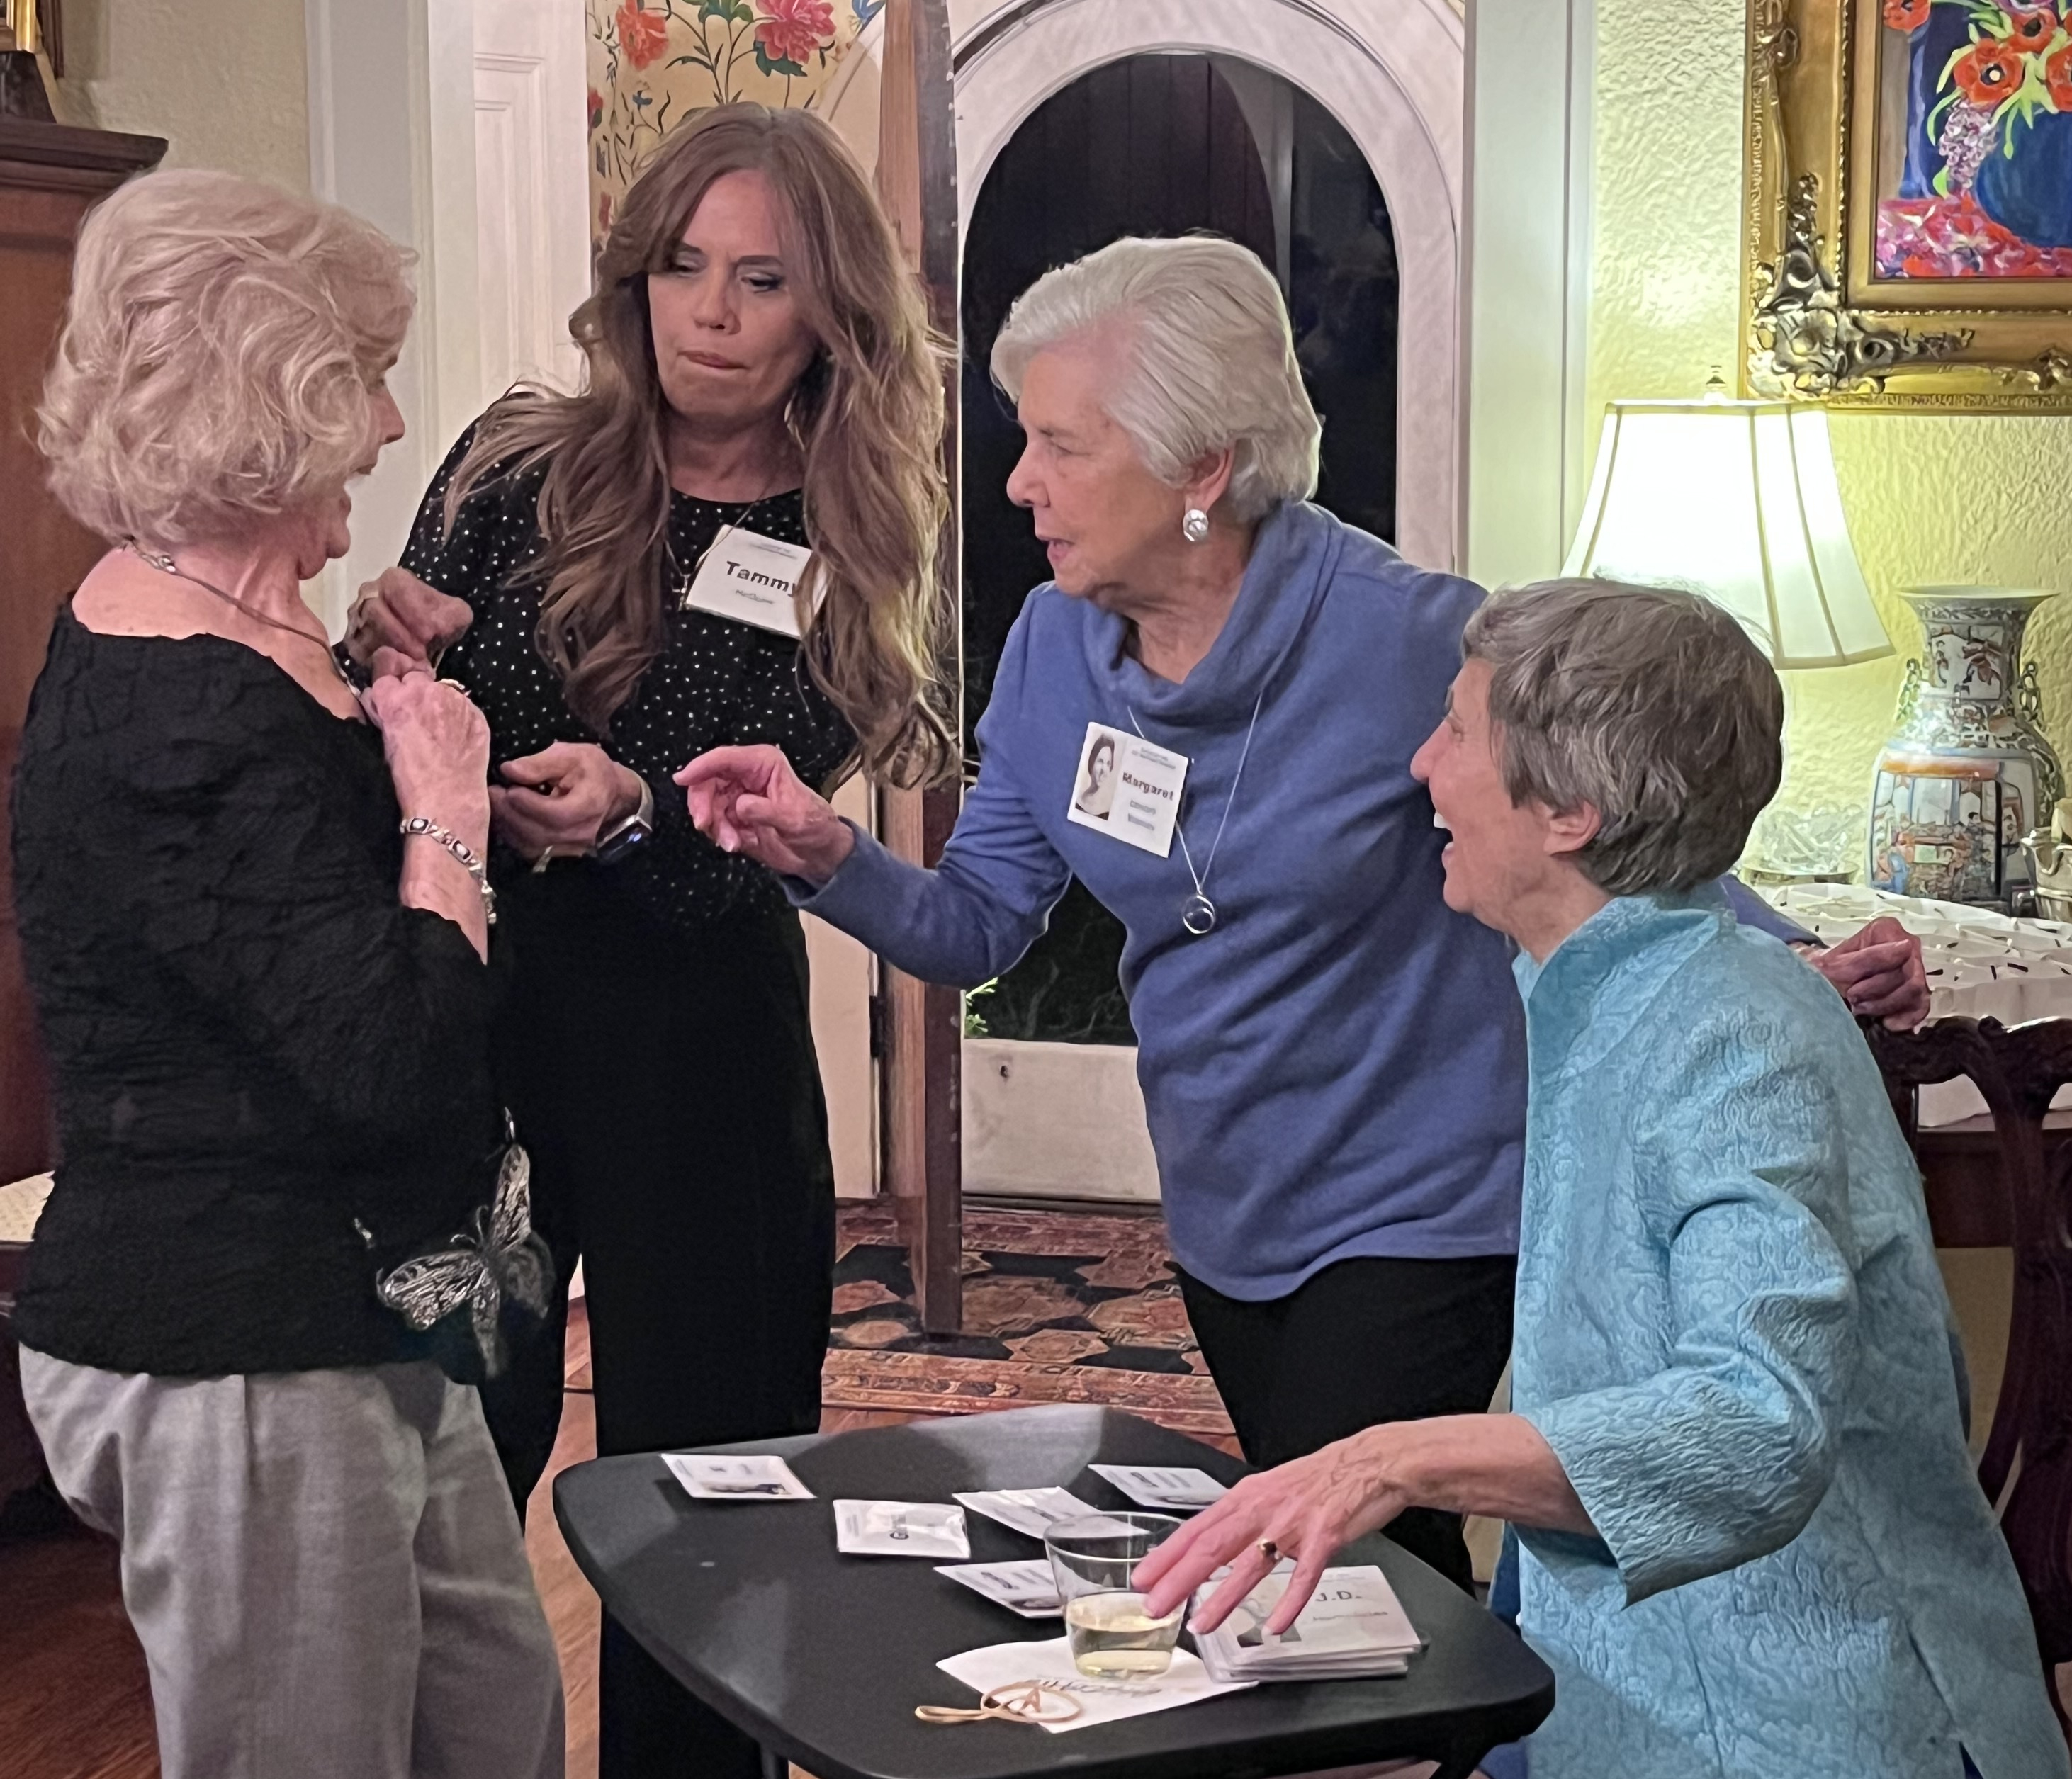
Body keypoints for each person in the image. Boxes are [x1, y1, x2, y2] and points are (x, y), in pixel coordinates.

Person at [678, 236, 1929, 1595]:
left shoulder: (1411, 638)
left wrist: (1797, 962)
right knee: (1362, 1568)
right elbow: (977, 924)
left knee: (1338, 1561)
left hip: (1428, 1194)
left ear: (1202, 469)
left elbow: (1613, 827)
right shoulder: (1052, 647)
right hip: (1225, 1194)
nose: (1020, 482)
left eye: (1062, 446)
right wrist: (824, 851)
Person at [1134, 577, 2072, 1779]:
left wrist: (1396, 1457)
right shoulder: (1626, 973)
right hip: (1681, 1685)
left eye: (1459, 733)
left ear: (1567, 809)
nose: (1421, 765)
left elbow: (1754, 1426)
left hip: (1832, 1763)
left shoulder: (1729, 1036)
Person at [10, 171, 613, 1779]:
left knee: (476, 1730)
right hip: (224, 1335)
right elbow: (386, 1058)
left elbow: (314, 934)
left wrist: (385, 714)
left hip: (348, 1310)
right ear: (263, 404)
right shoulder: (176, 701)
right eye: (355, 379)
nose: (382, 429)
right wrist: (434, 810)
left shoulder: (240, 631)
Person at [344, 102, 950, 1779]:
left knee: (709, 1477)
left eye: (761, 276)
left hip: (699, 1031)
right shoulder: (516, 459)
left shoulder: (851, 530)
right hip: (494, 1029)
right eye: (684, 265)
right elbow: (407, 700)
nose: (712, 312)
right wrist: (385, 659)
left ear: (824, 309)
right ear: (635, 277)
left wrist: (628, 828)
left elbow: (796, 816)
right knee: (454, 1450)